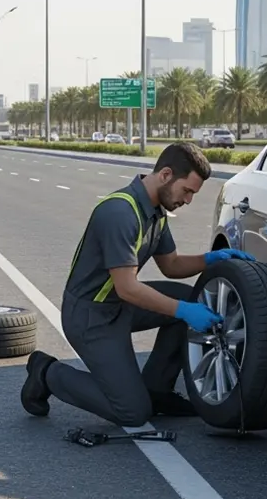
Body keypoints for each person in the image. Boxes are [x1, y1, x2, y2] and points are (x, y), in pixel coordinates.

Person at [20, 142, 254, 426]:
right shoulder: (120, 212)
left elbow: (171, 265)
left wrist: (213, 258)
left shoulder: (155, 212)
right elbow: (128, 288)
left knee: (192, 300)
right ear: (166, 175)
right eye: (188, 191)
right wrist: (183, 311)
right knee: (131, 412)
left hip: (120, 306)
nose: (189, 200)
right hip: (91, 317)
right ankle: (46, 372)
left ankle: (157, 390)